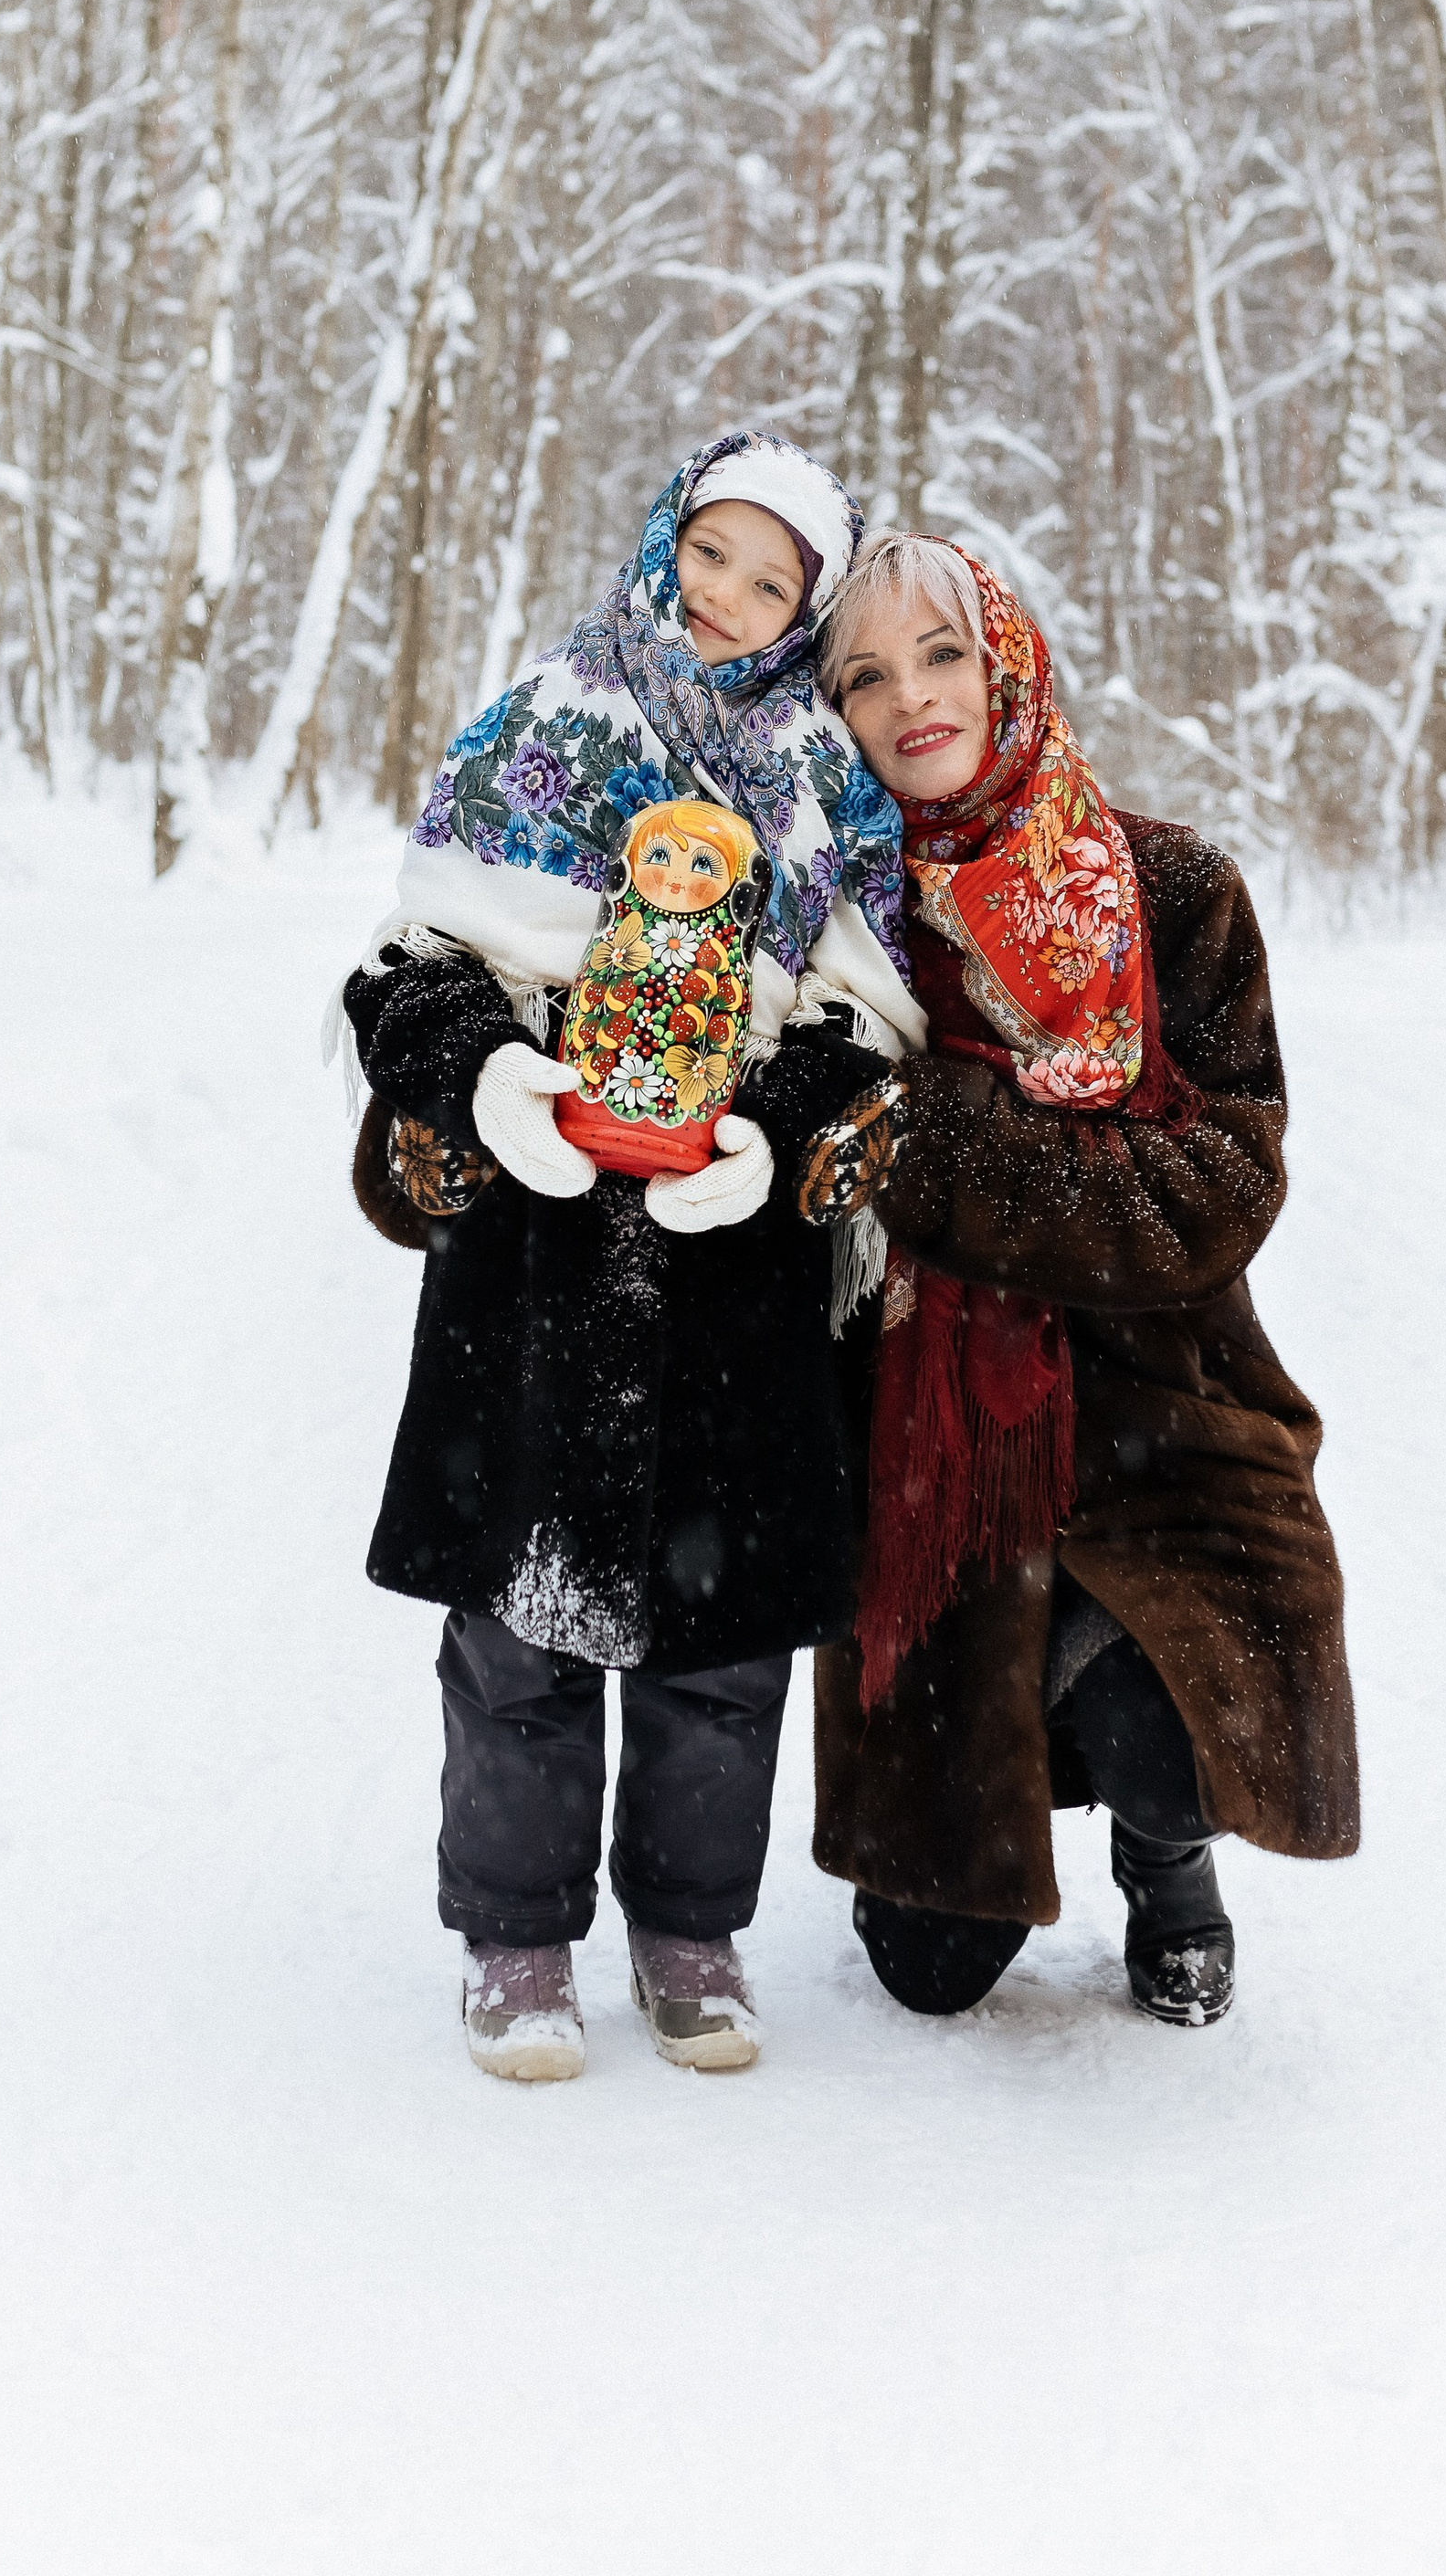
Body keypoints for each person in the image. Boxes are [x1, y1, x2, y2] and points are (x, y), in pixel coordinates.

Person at [343, 433, 923, 2082]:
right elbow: (411, 961)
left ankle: (690, 1927)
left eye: (776, 581)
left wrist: (775, 1129)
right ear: (666, 537)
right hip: (533, 1258)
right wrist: (492, 1080)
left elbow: (866, 1017)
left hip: (730, 1272)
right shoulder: (549, 719)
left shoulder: (825, 780)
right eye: (716, 554)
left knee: (721, 1643)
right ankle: (518, 1941)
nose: (732, 599)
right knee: (514, 1632)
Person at [808, 530, 1358, 2025]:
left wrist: (937, 1152)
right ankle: (1021, 1715)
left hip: (1154, 1422)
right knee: (926, 1974)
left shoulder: (1170, 889)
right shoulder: (829, 920)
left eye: (943, 655)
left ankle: (1164, 1849)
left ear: (1008, 664)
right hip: (929, 1467)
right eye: (866, 676)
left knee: (1175, 1711)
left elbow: (1223, 1186)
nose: (913, 700)